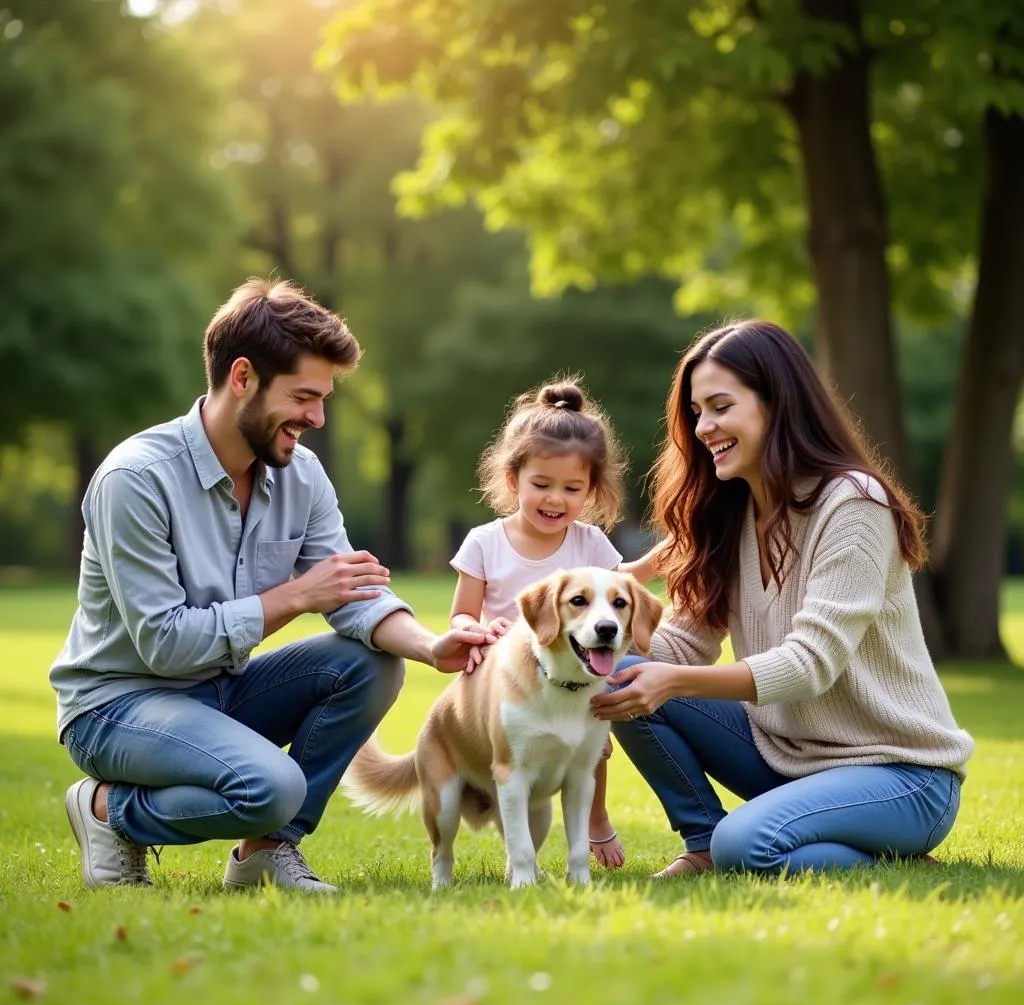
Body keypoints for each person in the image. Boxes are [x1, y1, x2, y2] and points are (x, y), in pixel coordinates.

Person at [50, 278, 490, 893]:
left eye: (323, 398)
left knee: (373, 664)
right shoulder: (136, 479)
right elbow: (164, 645)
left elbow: (353, 591)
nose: (317, 416)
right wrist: (297, 596)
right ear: (242, 378)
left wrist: (430, 644)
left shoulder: (300, 474)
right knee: (272, 787)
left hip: (219, 690)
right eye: (304, 396)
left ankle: (264, 850)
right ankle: (106, 811)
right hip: (119, 706)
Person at [590, 320, 974, 877]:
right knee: (620, 674)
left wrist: (670, 681)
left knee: (745, 846)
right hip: (788, 757)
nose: (703, 428)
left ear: (778, 403)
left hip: (903, 774)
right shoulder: (729, 512)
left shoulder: (854, 505)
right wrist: (590, 628)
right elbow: (678, 646)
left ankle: (891, 855)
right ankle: (702, 841)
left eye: (720, 407)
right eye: (697, 412)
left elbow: (809, 664)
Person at [449, 378, 661, 869]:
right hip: (510, 682)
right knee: (521, 758)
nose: (555, 499)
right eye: (541, 485)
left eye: (572, 488)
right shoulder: (485, 542)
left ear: (591, 490)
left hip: (575, 669)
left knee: (594, 740)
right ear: (512, 481)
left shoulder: (590, 544)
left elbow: (617, 597)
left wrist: (664, 556)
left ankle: (596, 819)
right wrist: (476, 632)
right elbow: (463, 611)